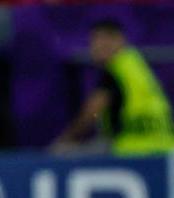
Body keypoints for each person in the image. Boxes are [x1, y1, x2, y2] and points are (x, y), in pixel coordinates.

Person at [54, 19, 174, 156]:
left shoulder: (115, 70)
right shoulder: (136, 65)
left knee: (64, 155)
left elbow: (91, 111)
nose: (98, 47)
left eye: (103, 41)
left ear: (120, 41)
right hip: (165, 148)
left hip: (129, 148)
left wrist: (66, 139)